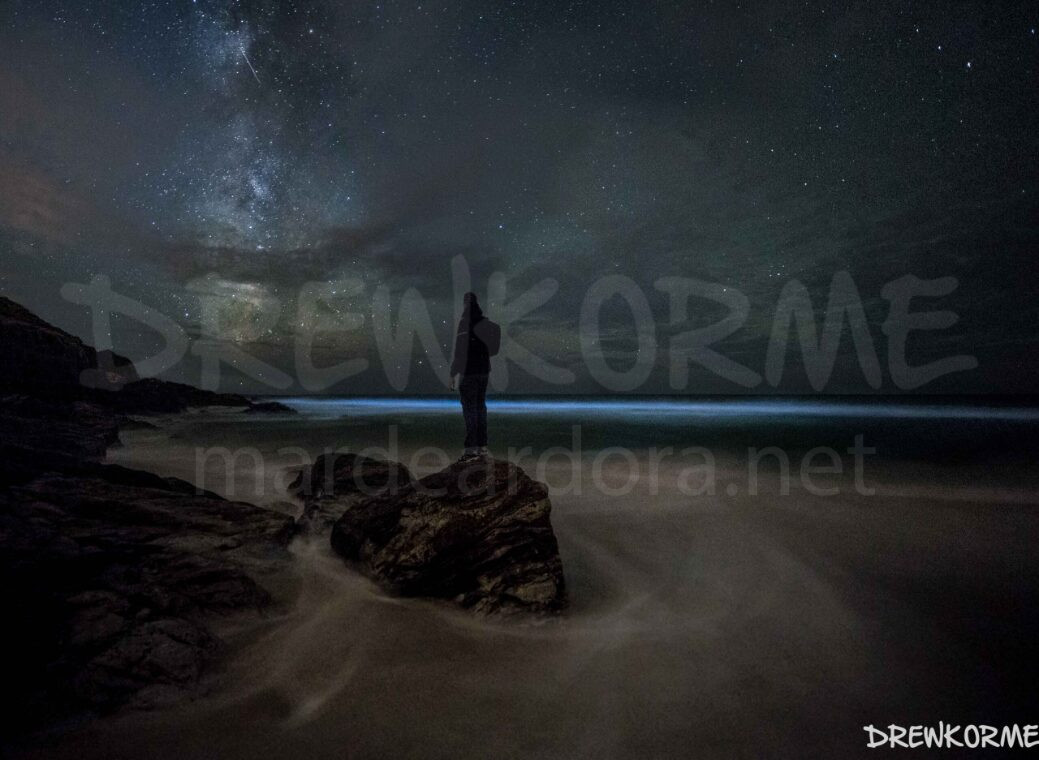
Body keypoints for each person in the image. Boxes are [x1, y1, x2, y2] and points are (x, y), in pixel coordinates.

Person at [448, 292, 491, 460]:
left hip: (470, 372)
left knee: (470, 408)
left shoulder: (465, 323)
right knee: (481, 408)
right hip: (484, 372)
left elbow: (460, 352)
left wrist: (452, 374)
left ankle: (471, 448)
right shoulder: (485, 324)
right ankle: (482, 446)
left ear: (465, 304)